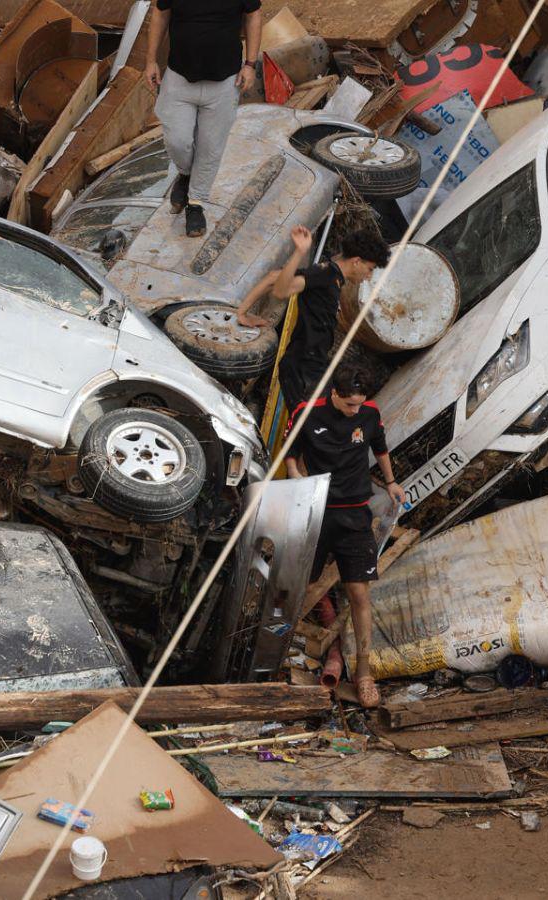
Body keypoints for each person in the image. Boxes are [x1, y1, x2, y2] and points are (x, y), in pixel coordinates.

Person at [284, 365, 405, 708]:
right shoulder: (307, 413)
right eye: (350, 405)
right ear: (334, 394)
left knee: (358, 594)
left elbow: (380, 448)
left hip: (354, 517)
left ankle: (364, 673)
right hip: (317, 514)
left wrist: (392, 481)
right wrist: (296, 477)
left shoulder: (369, 414)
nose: (355, 411)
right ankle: (275, 655)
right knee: (297, 585)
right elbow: (291, 454)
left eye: (359, 405)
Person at [235, 225, 390, 411]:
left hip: (312, 366)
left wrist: (242, 312)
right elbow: (280, 290)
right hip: (302, 368)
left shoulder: (330, 275)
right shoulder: (326, 274)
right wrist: (299, 252)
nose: (369, 276)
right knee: (313, 426)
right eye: (370, 268)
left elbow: (273, 277)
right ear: (357, 261)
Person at [145, 0, 262, 238]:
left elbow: (254, 16)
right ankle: (186, 174)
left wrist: (250, 64)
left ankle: (196, 203)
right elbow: (160, 14)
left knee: (210, 147)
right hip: (180, 77)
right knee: (177, 141)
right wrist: (150, 60)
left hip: (225, 81)